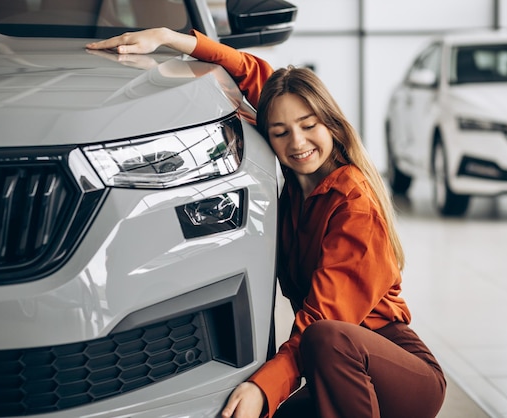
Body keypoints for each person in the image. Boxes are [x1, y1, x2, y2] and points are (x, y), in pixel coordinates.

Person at [87, 28, 446, 418]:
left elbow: (324, 322)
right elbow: (248, 69)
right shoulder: (297, 184)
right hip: (335, 366)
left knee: (322, 341)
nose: (297, 142)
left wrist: (264, 386)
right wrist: (168, 37)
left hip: (393, 371)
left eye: (309, 126)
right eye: (280, 132)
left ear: (332, 124)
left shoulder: (355, 204)